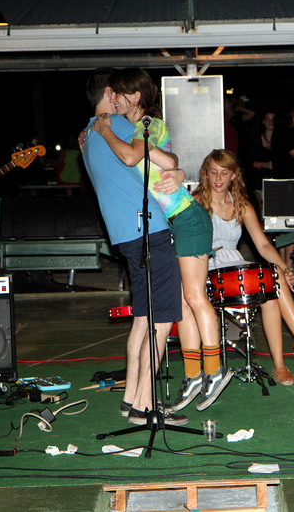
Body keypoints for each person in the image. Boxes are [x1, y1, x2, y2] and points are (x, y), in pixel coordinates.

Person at [92, 67, 230, 413]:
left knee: (194, 296)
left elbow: (139, 156)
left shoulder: (148, 125)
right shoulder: (133, 130)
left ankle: (214, 369)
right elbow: (162, 159)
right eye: (112, 93)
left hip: (188, 218)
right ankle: (193, 374)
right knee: (179, 302)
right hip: (171, 221)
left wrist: (105, 130)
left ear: (135, 96)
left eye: (120, 93)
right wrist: (175, 166)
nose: (114, 99)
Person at [83, 68, 188, 426]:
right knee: (163, 319)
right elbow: (152, 158)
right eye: (118, 92)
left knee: (143, 318)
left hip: (125, 235)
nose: (122, 99)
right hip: (149, 231)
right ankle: (145, 407)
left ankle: (131, 400)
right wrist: (179, 170)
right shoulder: (115, 125)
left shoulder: (89, 132)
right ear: (110, 93)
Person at [193, 150, 294, 386]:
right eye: (213, 172)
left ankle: (280, 365)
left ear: (233, 175)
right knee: (272, 279)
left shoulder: (242, 205)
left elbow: (262, 245)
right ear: (206, 174)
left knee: (271, 292)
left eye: (224, 172)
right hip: (206, 267)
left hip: (235, 266)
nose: (218, 178)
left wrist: (285, 268)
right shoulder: (197, 202)